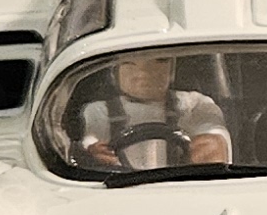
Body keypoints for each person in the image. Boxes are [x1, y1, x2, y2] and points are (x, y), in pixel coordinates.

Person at [71, 52, 231, 171]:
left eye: (159, 61)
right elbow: (91, 146)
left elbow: (213, 137)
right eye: (129, 63)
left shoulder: (194, 105)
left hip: (182, 190)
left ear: (172, 69)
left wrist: (208, 147)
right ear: (116, 71)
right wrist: (94, 153)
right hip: (122, 192)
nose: (143, 72)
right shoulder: (99, 111)